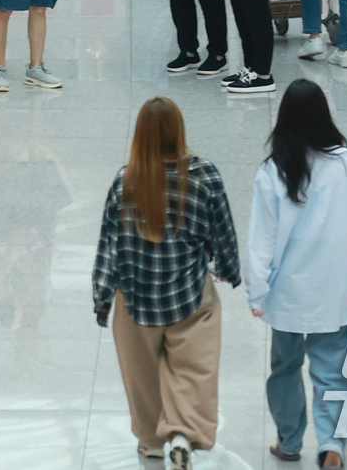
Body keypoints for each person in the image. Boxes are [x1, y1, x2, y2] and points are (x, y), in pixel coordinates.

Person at [92, 96, 242, 470]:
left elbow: (108, 245)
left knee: (142, 378)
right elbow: (223, 236)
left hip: (135, 299)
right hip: (188, 296)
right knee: (192, 370)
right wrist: (229, 270)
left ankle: (152, 445)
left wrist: (102, 296)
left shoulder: (125, 180)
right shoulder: (205, 176)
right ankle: (181, 434)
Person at [247, 80, 347, 470]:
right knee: (332, 368)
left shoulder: (272, 171)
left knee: (284, 367)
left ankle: (288, 442)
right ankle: (331, 444)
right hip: (333, 290)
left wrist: (257, 292)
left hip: (286, 294)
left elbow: (261, 240)